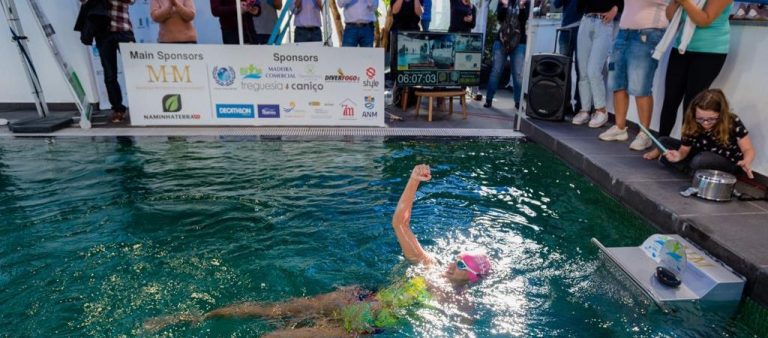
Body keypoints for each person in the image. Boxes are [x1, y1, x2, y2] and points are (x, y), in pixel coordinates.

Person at [143, 164, 493, 335]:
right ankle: (196, 318)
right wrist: (414, 180)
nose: (453, 262)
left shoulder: (460, 302)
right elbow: (399, 223)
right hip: (357, 299)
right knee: (275, 310)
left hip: (360, 328)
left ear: (472, 277)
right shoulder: (429, 264)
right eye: (456, 256)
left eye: (462, 263)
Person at [650, 0, 733, 154]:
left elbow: (704, 20)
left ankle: (686, 151)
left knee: (692, 104)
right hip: (681, 47)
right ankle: (661, 146)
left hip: (710, 51)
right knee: (670, 99)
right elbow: (670, 16)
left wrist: (685, 2)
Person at [599, 0, 668, 151]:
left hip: (649, 32)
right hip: (624, 32)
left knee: (640, 85)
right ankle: (620, 127)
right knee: (617, 82)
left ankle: (645, 135)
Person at [649, 89, 755, 179]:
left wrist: (746, 160)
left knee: (699, 160)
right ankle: (693, 172)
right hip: (700, 153)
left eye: (711, 119)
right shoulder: (691, 120)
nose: (705, 123)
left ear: (721, 114)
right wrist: (678, 156)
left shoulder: (732, 121)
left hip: (726, 162)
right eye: (700, 119)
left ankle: (690, 170)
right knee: (663, 142)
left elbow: (748, 149)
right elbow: (685, 149)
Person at [81, 0, 135, 124]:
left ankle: (142, 106)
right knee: (110, 74)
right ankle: (118, 109)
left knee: (135, 71)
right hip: (103, 34)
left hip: (124, 31)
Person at [571, 0, 622, 128]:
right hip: (586, 19)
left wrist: (615, 9)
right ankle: (585, 109)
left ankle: (601, 110)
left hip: (604, 22)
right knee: (582, 69)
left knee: (593, 69)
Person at [484, 0, 529, 110]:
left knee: (518, 74)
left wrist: (522, 6)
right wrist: (504, 5)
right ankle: (489, 99)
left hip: (519, 41)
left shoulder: (525, 1)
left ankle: (518, 101)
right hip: (501, 40)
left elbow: (524, 20)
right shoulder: (503, 1)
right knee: (496, 71)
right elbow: (499, 18)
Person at [552, 0, 583, 114]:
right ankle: (565, 104)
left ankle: (580, 106)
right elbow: (556, 4)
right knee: (564, 69)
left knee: (581, 69)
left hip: (582, 28)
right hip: (566, 29)